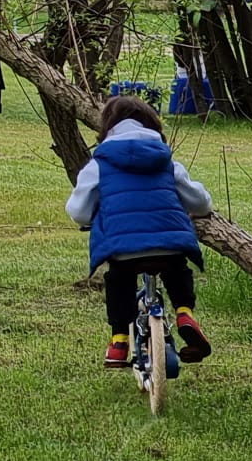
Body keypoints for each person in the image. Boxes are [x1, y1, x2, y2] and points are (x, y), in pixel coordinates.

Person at [66, 95, 215, 368]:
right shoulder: (167, 162)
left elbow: (78, 211)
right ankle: (184, 312)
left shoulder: (99, 165)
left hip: (123, 248)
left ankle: (119, 340)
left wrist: (93, 215)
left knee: (119, 279)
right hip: (169, 243)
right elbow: (201, 202)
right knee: (177, 269)